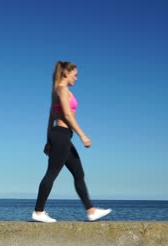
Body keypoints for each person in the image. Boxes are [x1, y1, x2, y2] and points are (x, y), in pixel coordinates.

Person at [32, 61, 112, 223]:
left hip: (61, 136)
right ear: (66, 73)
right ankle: (38, 211)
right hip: (61, 136)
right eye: (75, 74)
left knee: (78, 173)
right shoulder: (62, 90)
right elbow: (67, 116)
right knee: (51, 174)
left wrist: (48, 140)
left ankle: (91, 211)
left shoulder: (56, 91)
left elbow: (51, 117)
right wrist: (83, 135)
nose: (76, 78)